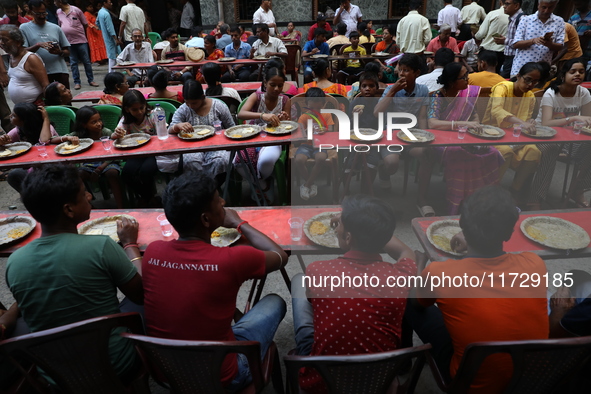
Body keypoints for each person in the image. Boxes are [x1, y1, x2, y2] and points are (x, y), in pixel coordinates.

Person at [142, 170, 287, 391]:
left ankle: (233, 319)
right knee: (275, 301)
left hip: (168, 373)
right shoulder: (231, 259)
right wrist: (240, 223)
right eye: (218, 201)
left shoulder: (152, 252)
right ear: (206, 219)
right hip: (224, 377)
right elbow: (280, 256)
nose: (223, 202)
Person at [5, 164, 143, 380]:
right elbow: (141, 294)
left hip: (56, 375)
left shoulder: (14, 262)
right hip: (115, 365)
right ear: (68, 209)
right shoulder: (101, 246)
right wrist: (130, 245)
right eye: (83, 193)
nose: (89, 195)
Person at [407, 185, 548, 392]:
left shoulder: (440, 274)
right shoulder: (535, 264)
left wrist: (418, 265)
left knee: (408, 296)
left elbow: (417, 301)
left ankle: (401, 363)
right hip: (527, 380)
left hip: (467, 382)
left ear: (462, 225)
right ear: (509, 233)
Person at [292, 194, 416, 393]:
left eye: (339, 224)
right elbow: (406, 252)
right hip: (380, 379)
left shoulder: (318, 270)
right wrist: (371, 229)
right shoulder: (402, 275)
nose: (337, 226)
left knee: (299, 283)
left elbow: (311, 299)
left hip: (324, 379)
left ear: (348, 237)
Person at [417, 62, 503, 215]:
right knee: (460, 155)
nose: (467, 80)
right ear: (451, 81)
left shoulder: (467, 93)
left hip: (465, 136)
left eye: (467, 75)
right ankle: (457, 202)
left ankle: (481, 199)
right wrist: (463, 123)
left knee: (491, 152)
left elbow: (474, 115)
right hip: (442, 139)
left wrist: (475, 123)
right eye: (463, 77)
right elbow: (433, 122)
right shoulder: (438, 96)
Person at [530, 58, 591, 209]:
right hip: (544, 135)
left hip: (569, 136)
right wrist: (573, 118)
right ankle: (536, 197)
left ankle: (577, 189)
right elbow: (546, 123)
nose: (578, 74)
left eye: (581, 72)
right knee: (551, 149)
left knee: (589, 148)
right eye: (573, 71)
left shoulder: (584, 93)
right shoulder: (551, 93)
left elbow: (587, 121)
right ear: (563, 75)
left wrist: (581, 123)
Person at [483, 62, 542, 203]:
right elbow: (496, 110)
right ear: (518, 76)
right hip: (492, 134)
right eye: (527, 79)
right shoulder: (502, 88)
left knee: (535, 152)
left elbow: (527, 119)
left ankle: (515, 190)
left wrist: (530, 123)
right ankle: (490, 192)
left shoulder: (530, 96)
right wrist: (522, 123)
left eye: (535, 81)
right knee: (506, 151)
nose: (530, 84)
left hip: (516, 136)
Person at [374, 53, 429, 188]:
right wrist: (393, 90)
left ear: (416, 73)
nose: (402, 74)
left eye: (407, 70)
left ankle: (422, 197)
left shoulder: (422, 90)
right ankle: (384, 171)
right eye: (401, 69)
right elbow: (377, 113)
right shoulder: (390, 89)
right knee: (392, 164)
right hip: (391, 134)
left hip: (412, 135)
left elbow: (422, 117)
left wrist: (425, 138)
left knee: (427, 155)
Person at [237, 66, 290, 204]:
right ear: (265, 83)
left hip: (274, 138)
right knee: (238, 162)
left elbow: (289, 124)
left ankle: (259, 185)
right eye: (272, 85)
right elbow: (241, 114)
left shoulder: (285, 100)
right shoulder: (257, 96)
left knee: (265, 162)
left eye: (280, 85)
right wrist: (262, 115)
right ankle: (263, 185)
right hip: (253, 135)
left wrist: (284, 118)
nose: (277, 89)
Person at [168, 80, 233, 181]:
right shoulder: (184, 109)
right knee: (191, 161)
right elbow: (170, 130)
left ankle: (212, 187)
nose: (190, 106)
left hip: (217, 146)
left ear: (203, 97)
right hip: (192, 147)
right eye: (186, 102)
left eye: (194, 103)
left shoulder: (218, 106)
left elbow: (231, 128)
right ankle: (200, 188)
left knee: (220, 161)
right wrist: (177, 126)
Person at [69, 106, 124, 208]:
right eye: (93, 122)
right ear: (84, 125)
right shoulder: (79, 135)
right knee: (78, 175)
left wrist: (99, 169)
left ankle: (121, 207)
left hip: (108, 162)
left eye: (99, 120)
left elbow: (113, 154)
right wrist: (68, 138)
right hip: (89, 163)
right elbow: (56, 140)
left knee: (112, 173)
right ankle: (87, 206)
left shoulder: (106, 133)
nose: (99, 124)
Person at [113, 90, 159, 206]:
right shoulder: (125, 120)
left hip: (153, 151)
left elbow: (162, 135)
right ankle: (148, 196)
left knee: (146, 171)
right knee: (126, 174)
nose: (139, 112)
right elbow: (114, 136)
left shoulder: (152, 116)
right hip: (136, 153)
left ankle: (148, 198)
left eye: (141, 108)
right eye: (134, 109)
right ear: (127, 109)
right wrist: (116, 134)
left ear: (145, 105)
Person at [1, 103, 61, 192]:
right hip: (34, 167)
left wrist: (45, 119)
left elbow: (44, 141)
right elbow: (7, 140)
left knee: (25, 176)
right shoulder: (19, 130)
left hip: (52, 167)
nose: (10, 116)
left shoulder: (47, 128)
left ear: (24, 120)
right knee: (13, 176)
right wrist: (2, 141)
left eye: (13, 116)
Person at [19, 0, 71, 89]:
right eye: (38, 14)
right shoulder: (24, 28)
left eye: (44, 13)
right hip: (40, 72)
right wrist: (38, 45)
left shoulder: (55, 28)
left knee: (65, 98)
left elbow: (67, 51)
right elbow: (22, 52)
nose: (42, 16)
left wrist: (59, 52)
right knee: (47, 99)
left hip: (60, 70)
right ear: (31, 12)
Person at [295, 87, 335, 200]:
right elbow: (299, 134)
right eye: (311, 108)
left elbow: (331, 130)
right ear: (306, 104)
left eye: (319, 108)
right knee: (299, 160)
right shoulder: (303, 117)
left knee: (321, 158)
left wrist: (325, 130)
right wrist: (306, 132)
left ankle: (307, 184)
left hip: (321, 144)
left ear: (324, 105)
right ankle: (311, 184)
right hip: (306, 144)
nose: (315, 111)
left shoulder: (326, 115)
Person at [509, 0, 564, 77]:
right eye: (544, 7)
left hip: (542, 72)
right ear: (538, 5)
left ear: (555, 6)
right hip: (521, 68)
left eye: (550, 7)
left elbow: (560, 46)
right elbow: (515, 44)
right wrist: (533, 41)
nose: (546, 11)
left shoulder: (559, 21)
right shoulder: (526, 20)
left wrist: (550, 44)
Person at [54, 0, 97, 90]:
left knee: (86, 61)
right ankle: (77, 82)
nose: (54, 3)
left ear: (60, 1)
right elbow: (60, 24)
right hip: (68, 41)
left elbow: (85, 24)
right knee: (73, 62)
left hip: (80, 40)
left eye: (55, 1)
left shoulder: (76, 10)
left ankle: (91, 80)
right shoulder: (58, 12)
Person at [1, 25, 48, 105]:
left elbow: (46, 86)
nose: (1, 43)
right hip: (23, 109)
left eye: (5, 40)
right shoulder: (12, 56)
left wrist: (38, 104)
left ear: (18, 42)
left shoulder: (31, 59)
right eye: (0, 39)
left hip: (34, 107)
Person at [474, 0, 509, 74]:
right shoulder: (517, 18)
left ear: (500, 2)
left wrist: (476, 36)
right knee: (495, 75)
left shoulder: (493, 14)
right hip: (502, 53)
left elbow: (480, 34)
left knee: (481, 75)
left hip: (488, 50)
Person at [496, 0, 523, 78]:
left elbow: (522, 42)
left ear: (516, 6)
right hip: (508, 57)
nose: (504, 6)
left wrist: (505, 40)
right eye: (504, 3)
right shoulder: (512, 18)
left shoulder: (521, 19)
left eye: (507, 4)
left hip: (515, 58)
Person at [97, 0, 120, 73]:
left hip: (105, 35)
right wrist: (115, 38)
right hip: (110, 37)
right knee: (112, 55)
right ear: (105, 3)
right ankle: (111, 72)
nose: (111, 4)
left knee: (112, 53)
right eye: (109, 2)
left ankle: (113, 71)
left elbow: (97, 22)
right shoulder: (106, 14)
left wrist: (102, 29)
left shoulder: (100, 12)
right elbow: (110, 28)